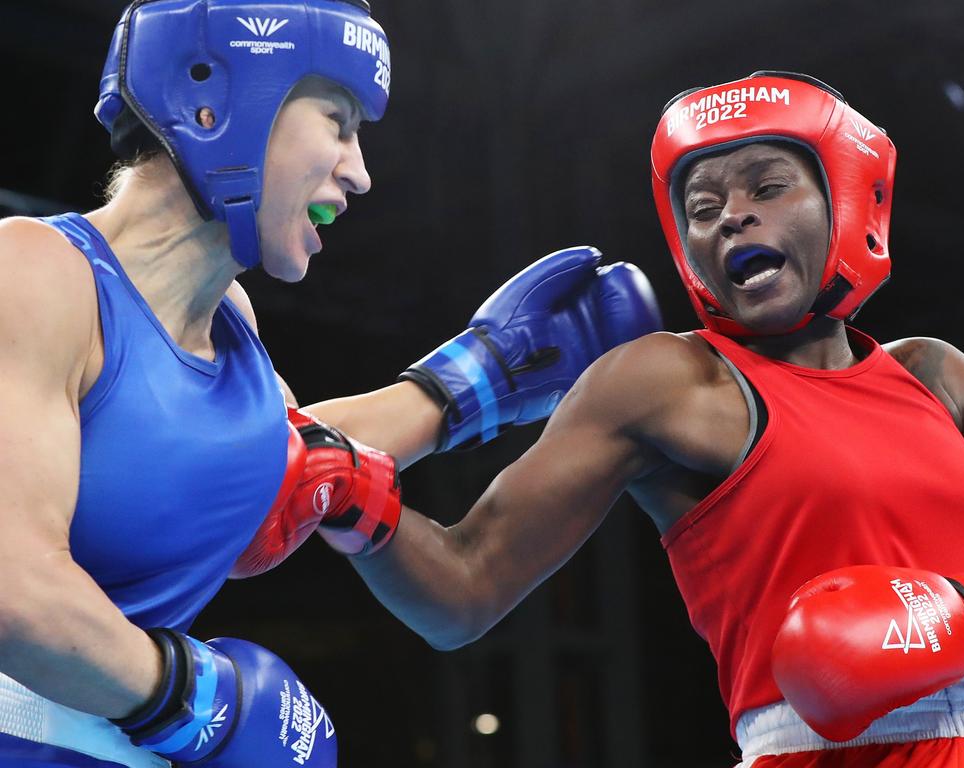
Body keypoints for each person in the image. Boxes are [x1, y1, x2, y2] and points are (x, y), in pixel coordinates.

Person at [291, 71, 964, 767]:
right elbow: (465, 591)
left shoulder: (934, 376)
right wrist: (358, 501)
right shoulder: (668, 383)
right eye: (703, 207)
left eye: (768, 187)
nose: (733, 214)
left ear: (848, 200)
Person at [0, 0, 661, 766]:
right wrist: (192, 700)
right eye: (338, 122)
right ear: (216, 101)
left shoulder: (229, 322)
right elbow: (16, 592)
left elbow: (291, 463)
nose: (359, 171)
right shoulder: (34, 273)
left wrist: (477, 378)